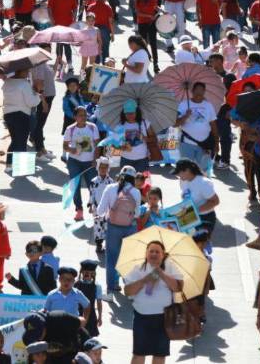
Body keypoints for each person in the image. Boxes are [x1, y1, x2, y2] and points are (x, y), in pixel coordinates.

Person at [123, 240, 183, 364]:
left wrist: (161, 273)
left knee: (160, 354)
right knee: (139, 354)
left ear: (163, 254)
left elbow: (178, 287)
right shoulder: (138, 268)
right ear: (146, 254)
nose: (154, 254)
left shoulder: (170, 267)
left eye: (157, 252)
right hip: (142, 317)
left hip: (163, 318)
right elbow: (128, 291)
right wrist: (144, 280)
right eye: (151, 251)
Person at [97, 166, 141, 299]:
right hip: (130, 227)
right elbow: (137, 214)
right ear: (133, 178)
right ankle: (130, 291)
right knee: (129, 259)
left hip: (113, 227)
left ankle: (110, 290)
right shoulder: (136, 192)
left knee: (111, 259)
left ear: (120, 175)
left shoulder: (110, 188)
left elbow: (100, 211)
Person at [63, 106, 100, 221]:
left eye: (85, 115)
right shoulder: (70, 129)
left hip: (89, 162)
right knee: (75, 186)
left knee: (93, 186)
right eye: (80, 115)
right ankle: (79, 210)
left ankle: (94, 206)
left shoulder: (92, 127)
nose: (83, 117)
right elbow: (65, 145)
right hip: (74, 162)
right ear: (75, 117)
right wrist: (71, 150)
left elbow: (98, 145)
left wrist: (95, 159)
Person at [2, 68, 41, 173]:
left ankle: (9, 164)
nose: (28, 73)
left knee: (15, 140)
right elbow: (31, 102)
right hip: (21, 115)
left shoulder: (7, 82)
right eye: (26, 71)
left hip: (8, 114)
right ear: (21, 71)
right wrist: (38, 92)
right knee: (21, 141)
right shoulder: (24, 84)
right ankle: (22, 167)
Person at [176, 82, 218, 173]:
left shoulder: (208, 105)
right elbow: (175, 124)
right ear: (192, 91)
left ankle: (202, 187)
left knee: (204, 172)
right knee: (186, 171)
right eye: (197, 90)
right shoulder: (183, 105)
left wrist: (216, 143)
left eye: (201, 90)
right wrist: (186, 116)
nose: (199, 92)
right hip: (187, 144)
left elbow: (213, 124)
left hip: (205, 145)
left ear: (204, 92)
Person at [173, 158, 220, 235]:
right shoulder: (183, 180)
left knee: (200, 244)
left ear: (187, 170)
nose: (177, 175)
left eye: (179, 173)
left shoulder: (203, 183)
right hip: (189, 217)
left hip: (204, 218)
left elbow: (215, 201)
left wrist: (195, 210)